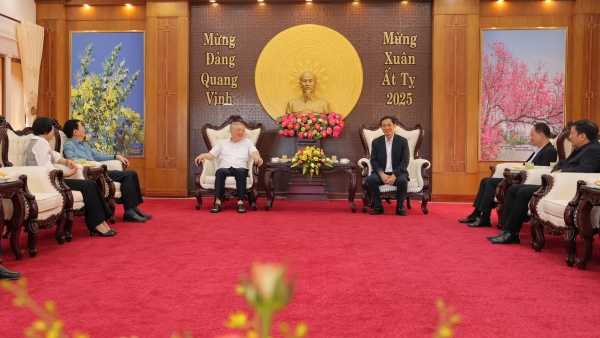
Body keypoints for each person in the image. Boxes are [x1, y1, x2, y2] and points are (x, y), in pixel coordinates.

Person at [489, 119, 600, 244]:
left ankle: (512, 233)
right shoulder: (581, 148)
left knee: (523, 193)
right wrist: (559, 170)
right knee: (514, 189)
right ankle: (506, 229)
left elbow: (584, 171)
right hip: (557, 184)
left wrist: (562, 172)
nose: (569, 137)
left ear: (582, 136)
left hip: (568, 189)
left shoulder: (595, 150)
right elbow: (561, 163)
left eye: (572, 133)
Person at [27, 117, 116, 237]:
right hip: (49, 182)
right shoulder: (41, 143)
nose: (54, 132)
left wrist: (67, 162)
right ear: (46, 130)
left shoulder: (40, 141)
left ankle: (100, 221)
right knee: (89, 185)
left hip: (51, 179)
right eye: (53, 129)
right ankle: (98, 223)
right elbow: (46, 168)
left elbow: (54, 157)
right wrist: (66, 174)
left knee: (90, 185)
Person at [461, 123, 558, 227]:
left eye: (532, 135)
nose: (530, 138)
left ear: (541, 135)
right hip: (520, 177)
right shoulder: (539, 150)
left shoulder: (550, 151)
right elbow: (527, 165)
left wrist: (522, 170)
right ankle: (476, 214)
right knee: (485, 180)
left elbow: (542, 170)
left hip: (525, 181)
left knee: (490, 182)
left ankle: (485, 217)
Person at [62, 119, 151, 223]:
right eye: (81, 126)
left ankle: (134, 208)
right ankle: (129, 213)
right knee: (127, 176)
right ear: (75, 132)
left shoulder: (84, 144)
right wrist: (89, 163)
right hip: (91, 173)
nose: (84, 129)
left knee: (132, 173)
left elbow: (96, 155)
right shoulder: (69, 145)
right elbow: (71, 160)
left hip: (100, 171)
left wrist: (116, 156)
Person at [194, 122, 263, 213]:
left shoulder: (247, 142)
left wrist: (257, 156)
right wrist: (203, 155)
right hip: (225, 167)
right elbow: (211, 155)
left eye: (243, 131)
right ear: (231, 131)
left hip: (240, 167)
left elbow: (254, 152)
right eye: (238, 130)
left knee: (241, 172)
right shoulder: (222, 143)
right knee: (220, 172)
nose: (241, 132)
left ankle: (240, 203)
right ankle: (218, 203)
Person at [366, 116, 410, 216]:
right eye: (384, 126)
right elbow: (374, 160)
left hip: (398, 173)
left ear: (394, 126)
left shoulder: (402, 141)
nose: (387, 128)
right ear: (381, 128)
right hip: (382, 172)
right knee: (371, 179)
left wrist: (394, 175)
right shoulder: (376, 142)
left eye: (389, 125)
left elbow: (405, 161)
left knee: (403, 181)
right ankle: (378, 207)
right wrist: (382, 174)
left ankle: (400, 207)